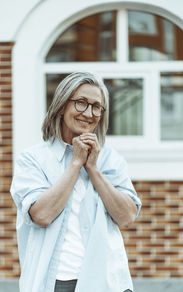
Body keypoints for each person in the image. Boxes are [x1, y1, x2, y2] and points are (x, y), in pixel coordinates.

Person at [10, 72, 142, 292]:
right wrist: (75, 164)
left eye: (96, 106)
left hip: (108, 282)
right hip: (58, 282)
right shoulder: (32, 160)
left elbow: (127, 216)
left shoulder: (110, 160)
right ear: (62, 106)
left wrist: (92, 169)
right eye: (81, 103)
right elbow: (41, 215)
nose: (88, 113)